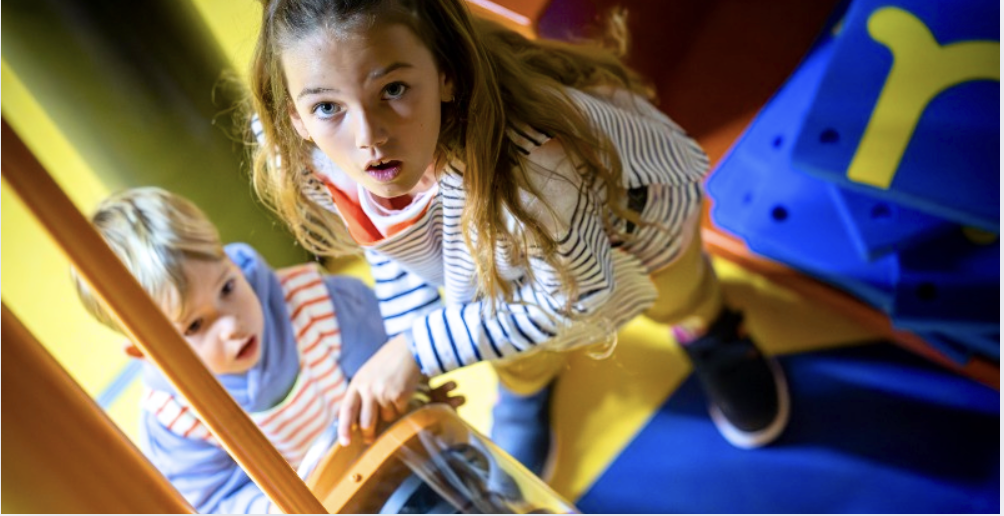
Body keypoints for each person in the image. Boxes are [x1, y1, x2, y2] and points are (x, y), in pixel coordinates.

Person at [246, 0, 791, 477]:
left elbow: (577, 294)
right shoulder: (318, 155)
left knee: (683, 293)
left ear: (446, 75)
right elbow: (391, 247)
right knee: (516, 352)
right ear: (296, 117)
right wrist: (411, 341)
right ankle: (526, 387)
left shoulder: (536, 164)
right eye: (326, 107)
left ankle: (711, 332)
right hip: (499, 266)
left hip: (636, 227)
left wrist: (417, 349)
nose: (368, 137)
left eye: (393, 89)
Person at [73, 187, 462, 513]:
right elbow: (217, 501)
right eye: (194, 326)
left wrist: (419, 390)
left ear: (227, 258)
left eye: (227, 288)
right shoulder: (175, 419)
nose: (231, 325)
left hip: (403, 471)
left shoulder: (318, 307)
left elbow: (390, 365)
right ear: (146, 352)